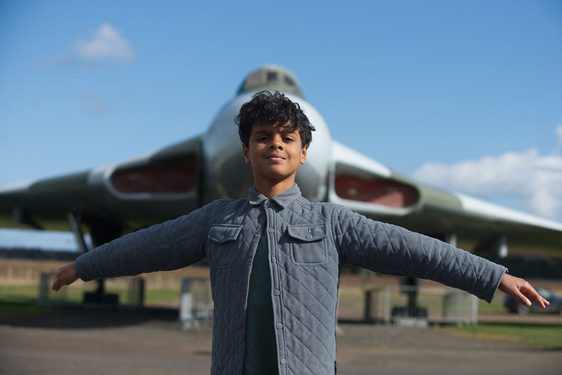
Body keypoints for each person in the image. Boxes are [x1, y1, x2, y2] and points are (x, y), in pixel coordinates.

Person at [52, 91, 549, 375]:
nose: (275, 145)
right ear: (245, 150)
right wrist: (84, 266)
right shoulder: (217, 219)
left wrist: (491, 276)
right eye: (262, 137)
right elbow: (150, 245)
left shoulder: (332, 223)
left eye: (287, 138)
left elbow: (414, 250)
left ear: (303, 153)